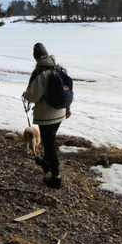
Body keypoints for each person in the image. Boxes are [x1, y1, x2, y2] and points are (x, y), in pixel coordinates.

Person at [22, 42, 71, 189]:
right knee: (51, 140)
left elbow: (33, 96)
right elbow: (67, 91)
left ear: (36, 58)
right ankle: (46, 163)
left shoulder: (40, 73)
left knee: (50, 145)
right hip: (61, 112)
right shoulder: (61, 68)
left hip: (46, 115)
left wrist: (25, 94)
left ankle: (56, 178)